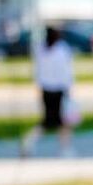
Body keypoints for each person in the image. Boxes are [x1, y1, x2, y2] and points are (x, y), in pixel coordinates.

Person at [21, 27, 75, 158]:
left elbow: (36, 71)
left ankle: (29, 142)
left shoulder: (40, 49)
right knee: (62, 122)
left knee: (49, 121)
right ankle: (65, 149)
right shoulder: (62, 50)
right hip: (59, 89)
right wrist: (69, 88)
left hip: (45, 89)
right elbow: (66, 71)